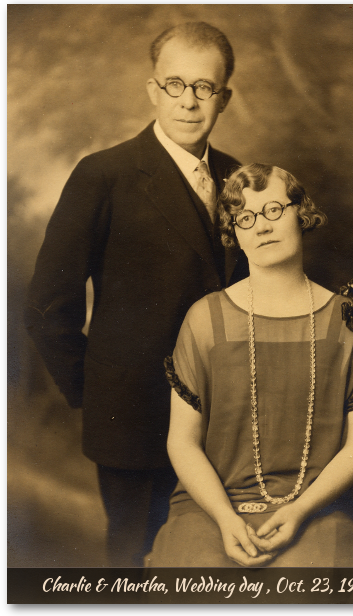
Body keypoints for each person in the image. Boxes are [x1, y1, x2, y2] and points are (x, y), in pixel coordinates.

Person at [24, 22, 248, 567]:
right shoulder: (104, 174)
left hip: (226, 417)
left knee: (210, 556)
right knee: (136, 560)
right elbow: (47, 307)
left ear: (225, 97)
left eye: (204, 87)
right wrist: (99, 392)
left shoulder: (241, 178)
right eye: (175, 84)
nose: (189, 102)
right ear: (152, 90)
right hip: (133, 416)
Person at [145, 163, 353, 567]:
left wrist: (298, 511)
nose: (261, 226)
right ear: (235, 233)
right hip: (210, 507)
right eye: (246, 217)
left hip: (313, 507)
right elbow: (181, 441)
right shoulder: (205, 318)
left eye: (273, 209)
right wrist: (224, 518)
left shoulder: (350, 321)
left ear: (301, 213)